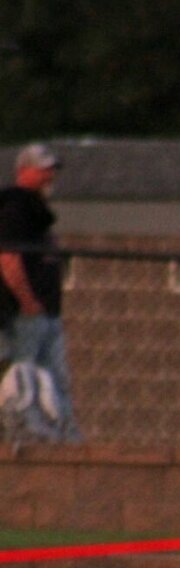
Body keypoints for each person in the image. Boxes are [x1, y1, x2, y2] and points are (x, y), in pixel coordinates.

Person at [0, 143, 80, 441]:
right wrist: (27, 301)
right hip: (27, 315)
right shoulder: (16, 207)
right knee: (24, 379)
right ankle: (21, 434)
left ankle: (62, 434)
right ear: (24, 171)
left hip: (46, 312)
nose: (50, 175)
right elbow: (8, 258)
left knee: (56, 381)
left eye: (52, 169)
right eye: (43, 169)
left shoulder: (36, 211)